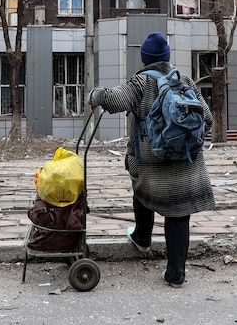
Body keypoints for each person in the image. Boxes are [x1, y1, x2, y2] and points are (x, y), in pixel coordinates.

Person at [88, 32, 214, 288]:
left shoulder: (141, 83)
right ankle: (176, 274)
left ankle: (142, 238)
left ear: (145, 59)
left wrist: (94, 96)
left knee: (142, 191)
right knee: (179, 215)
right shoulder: (185, 81)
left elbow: (113, 99)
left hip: (152, 165)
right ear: (167, 58)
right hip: (188, 164)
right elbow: (208, 119)